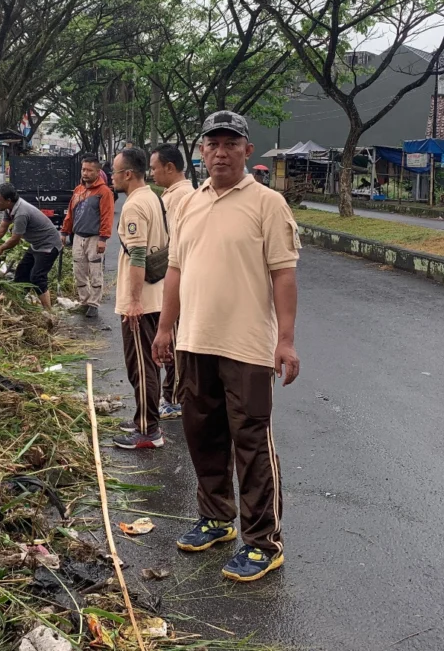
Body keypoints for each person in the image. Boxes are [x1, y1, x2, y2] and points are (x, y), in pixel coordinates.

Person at [153, 110, 301, 582]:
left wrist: (287, 340)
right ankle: (216, 518)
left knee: (251, 442)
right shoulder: (188, 204)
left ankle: (263, 542)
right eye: (212, 143)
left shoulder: (268, 203)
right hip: (194, 341)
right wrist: (165, 329)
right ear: (201, 150)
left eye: (230, 143)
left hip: (248, 347)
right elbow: (175, 271)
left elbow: (284, 273)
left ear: (246, 151)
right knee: (202, 434)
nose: (220, 151)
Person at [111, 147, 171, 449]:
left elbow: (137, 254)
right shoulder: (153, 198)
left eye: (115, 172)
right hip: (156, 295)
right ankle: (143, 418)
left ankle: (148, 430)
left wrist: (133, 301)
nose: (112, 177)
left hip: (142, 301)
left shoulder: (135, 206)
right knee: (147, 364)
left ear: (128, 175)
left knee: (142, 366)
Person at [147, 143, 192, 421]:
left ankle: (174, 398)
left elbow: (175, 245)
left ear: (170, 168)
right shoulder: (171, 194)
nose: (151, 173)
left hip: (177, 278)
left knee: (174, 339)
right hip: (174, 277)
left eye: (154, 168)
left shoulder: (182, 197)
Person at [0, 183, 63, 311]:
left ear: (8, 200)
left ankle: (49, 312)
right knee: (21, 273)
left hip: (48, 245)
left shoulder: (21, 213)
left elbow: (15, 239)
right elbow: (2, 228)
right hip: (36, 245)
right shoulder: (9, 209)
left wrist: (0, 249)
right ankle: (18, 305)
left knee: (37, 277)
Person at [60, 155, 115, 318]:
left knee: (95, 272)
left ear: (97, 172)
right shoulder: (78, 190)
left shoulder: (104, 192)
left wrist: (103, 239)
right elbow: (71, 213)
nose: (85, 173)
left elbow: (107, 216)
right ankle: (84, 301)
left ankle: (93, 304)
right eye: (83, 169)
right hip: (78, 237)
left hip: (94, 238)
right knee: (79, 271)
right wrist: (64, 231)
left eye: (89, 170)